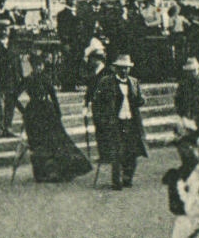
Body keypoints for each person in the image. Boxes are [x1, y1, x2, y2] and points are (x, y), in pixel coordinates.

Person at [21, 74, 94, 184]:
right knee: (38, 142)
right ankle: (42, 172)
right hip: (34, 113)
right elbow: (13, 95)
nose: (39, 68)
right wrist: (24, 111)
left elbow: (53, 95)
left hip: (47, 111)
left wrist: (57, 113)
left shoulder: (45, 78)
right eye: (36, 65)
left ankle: (59, 171)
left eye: (40, 65)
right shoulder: (28, 80)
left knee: (57, 140)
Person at [90, 54, 150, 189]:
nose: (124, 71)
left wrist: (141, 100)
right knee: (117, 151)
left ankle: (128, 178)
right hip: (115, 122)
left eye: (126, 68)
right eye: (121, 68)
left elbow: (140, 98)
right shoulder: (106, 82)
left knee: (132, 151)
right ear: (115, 69)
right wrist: (102, 119)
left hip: (131, 122)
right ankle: (116, 181)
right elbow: (97, 102)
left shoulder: (134, 82)